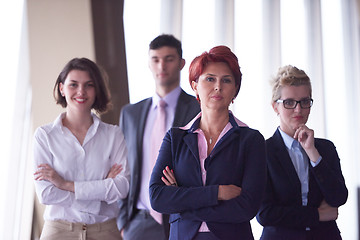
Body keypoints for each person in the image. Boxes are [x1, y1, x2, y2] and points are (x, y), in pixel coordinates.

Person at [149, 45, 267, 240]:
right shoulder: (175, 138)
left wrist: (182, 205)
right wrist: (217, 193)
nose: (218, 86)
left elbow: (246, 208)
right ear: (195, 85)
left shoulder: (251, 140)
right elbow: (157, 197)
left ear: (235, 89)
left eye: (226, 80)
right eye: (210, 79)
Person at [33, 57, 130, 240]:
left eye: (89, 85)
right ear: (61, 88)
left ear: (97, 89)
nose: (81, 91)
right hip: (59, 231)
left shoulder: (113, 135)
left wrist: (65, 185)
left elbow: (122, 187)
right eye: (73, 85)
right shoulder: (44, 136)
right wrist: (99, 194)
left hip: (105, 231)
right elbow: (46, 194)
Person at [117, 34, 200, 240]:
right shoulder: (130, 114)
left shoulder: (198, 109)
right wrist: (123, 221)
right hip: (139, 220)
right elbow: (122, 165)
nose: (161, 66)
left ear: (181, 63)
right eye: (155, 59)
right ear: (149, 63)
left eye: (169, 59)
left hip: (184, 216)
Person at [256, 65, 348, 239]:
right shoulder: (262, 151)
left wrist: (312, 152)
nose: (298, 110)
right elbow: (265, 214)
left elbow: (338, 198)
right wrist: (317, 215)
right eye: (289, 102)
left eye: (305, 102)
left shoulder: (326, 149)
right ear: (275, 106)